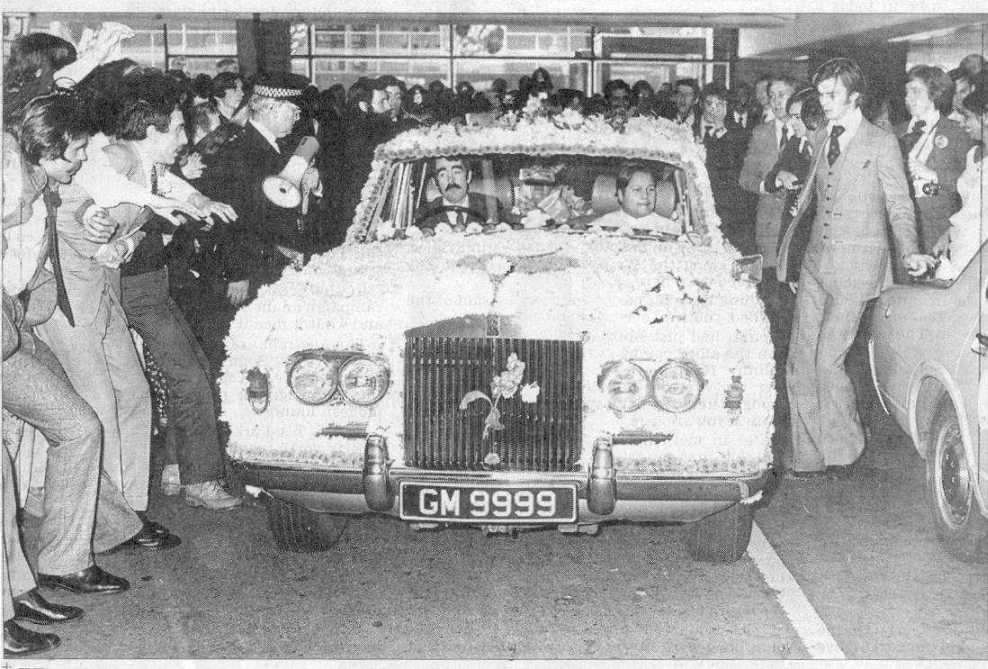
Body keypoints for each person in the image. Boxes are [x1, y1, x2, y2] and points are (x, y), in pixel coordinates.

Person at [786, 58, 933, 479]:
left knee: (828, 359)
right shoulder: (820, 136)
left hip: (858, 265)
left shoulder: (881, 142)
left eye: (831, 95)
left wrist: (909, 252)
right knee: (800, 358)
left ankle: (844, 448)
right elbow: (812, 198)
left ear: (854, 97)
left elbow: (900, 205)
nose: (824, 102)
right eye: (821, 94)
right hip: (816, 259)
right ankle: (807, 455)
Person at [101, 78, 241, 510]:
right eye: (178, 129)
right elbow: (102, 185)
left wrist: (196, 199)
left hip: (147, 282)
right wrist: (167, 206)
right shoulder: (117, 156)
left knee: (190, 371)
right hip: (132, 288)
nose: (185, 137)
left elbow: (171, 184)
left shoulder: (145, 162)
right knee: (188, 376)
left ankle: (180, 469)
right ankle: (197, 480)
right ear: (151, 131)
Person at [193, 72, 321, 367]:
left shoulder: (281, 146)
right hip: (251, 267)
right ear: (271, 107)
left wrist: (312, 186)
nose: (296, 116)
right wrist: (237, 272)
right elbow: (231, 216)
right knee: (247, 348)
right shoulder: (237, 150)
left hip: (275, 259)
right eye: (292, 110)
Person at [897, 65, 972, 255]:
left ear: (935, 93)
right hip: (902, 230)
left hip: (938, 230)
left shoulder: (957, 132)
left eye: (915, 91)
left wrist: (934, 177)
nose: (908, 98)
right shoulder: (894, 133)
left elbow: (971, 188)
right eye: (906, 92)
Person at [740, 75, 797, 270]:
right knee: (771, 287)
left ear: (795, 98)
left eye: (782, 95)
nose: (776, 101)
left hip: (799, 226)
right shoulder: (760, 133)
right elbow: (745, 179)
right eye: (772, 96)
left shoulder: (808, 131)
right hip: (769, 225)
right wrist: (766, 186)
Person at [770, 87, 826, 284]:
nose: (791, 122)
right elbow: (770, 181)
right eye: (790, 116)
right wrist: (780, 175)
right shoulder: (794, 143)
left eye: (797, 117)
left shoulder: (827, 147)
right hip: (792, 238)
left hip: (815, 243)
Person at [932, 86, 988, 281]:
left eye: (968, 117)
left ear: (986, 117)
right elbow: (968, 206)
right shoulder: (973, 155)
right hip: (963, 242)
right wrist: (948, 233)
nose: (964, 123)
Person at [697, 83, 750, 252]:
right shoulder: (689, 128)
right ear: (701, 104)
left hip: (726, 205)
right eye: (709, 103)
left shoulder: (738, 132)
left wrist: (721, 129)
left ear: (727, 106)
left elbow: (735, 165)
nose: (714, 109)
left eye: (719, 104)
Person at [415, 157, 501, 231]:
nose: (451, 180)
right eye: (442, 174)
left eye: (456, 172)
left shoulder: (491, 206)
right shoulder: (424, 214)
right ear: (435, 182)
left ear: (468, 176)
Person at [591, 163, 679, 235]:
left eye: (650, 189)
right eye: (637, 190)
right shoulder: (598, 228)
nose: (645, 195)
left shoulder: (671, 230)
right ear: (621, 195)